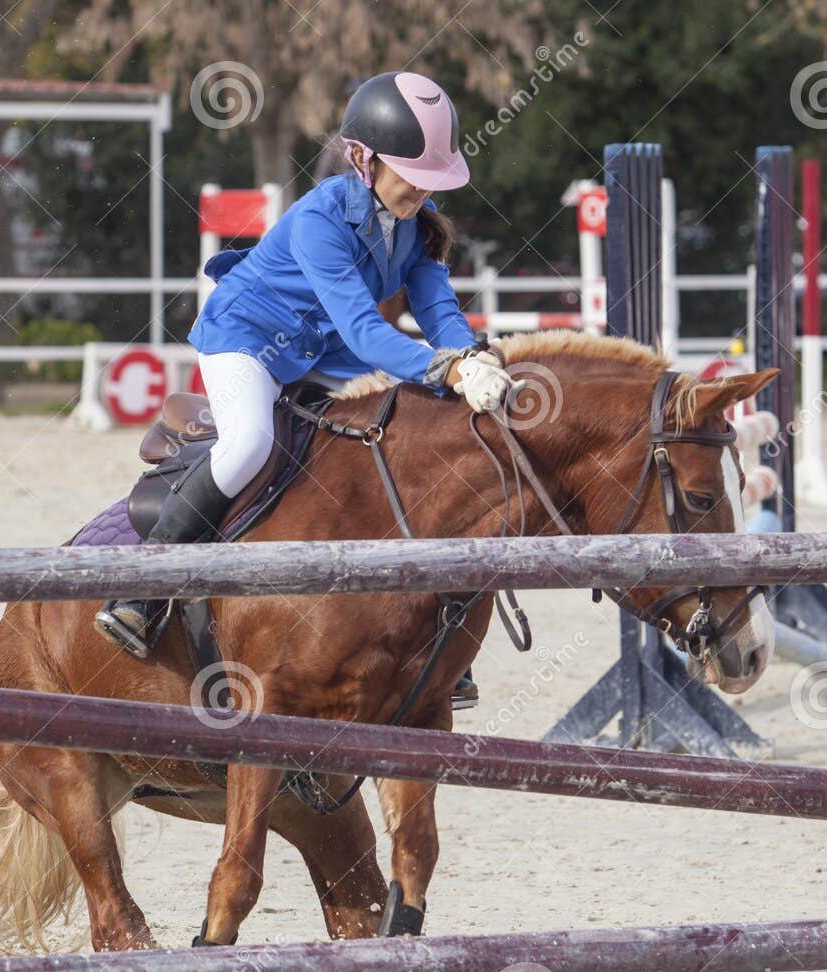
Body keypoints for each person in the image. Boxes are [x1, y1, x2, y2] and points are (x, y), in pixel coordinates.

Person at [96, 71, 514, 669]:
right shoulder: (321, 218)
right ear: (362, 160)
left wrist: (470, 358)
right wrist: (447, 369)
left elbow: (440, 311)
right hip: (248, 340)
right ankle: (141, 588)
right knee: (248, 445)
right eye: (412, 177)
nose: (422, 191)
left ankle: (434, 638)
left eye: (430, 180)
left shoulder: (418, 223)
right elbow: (366, 332)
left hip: (325, 358)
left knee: (411, 436)